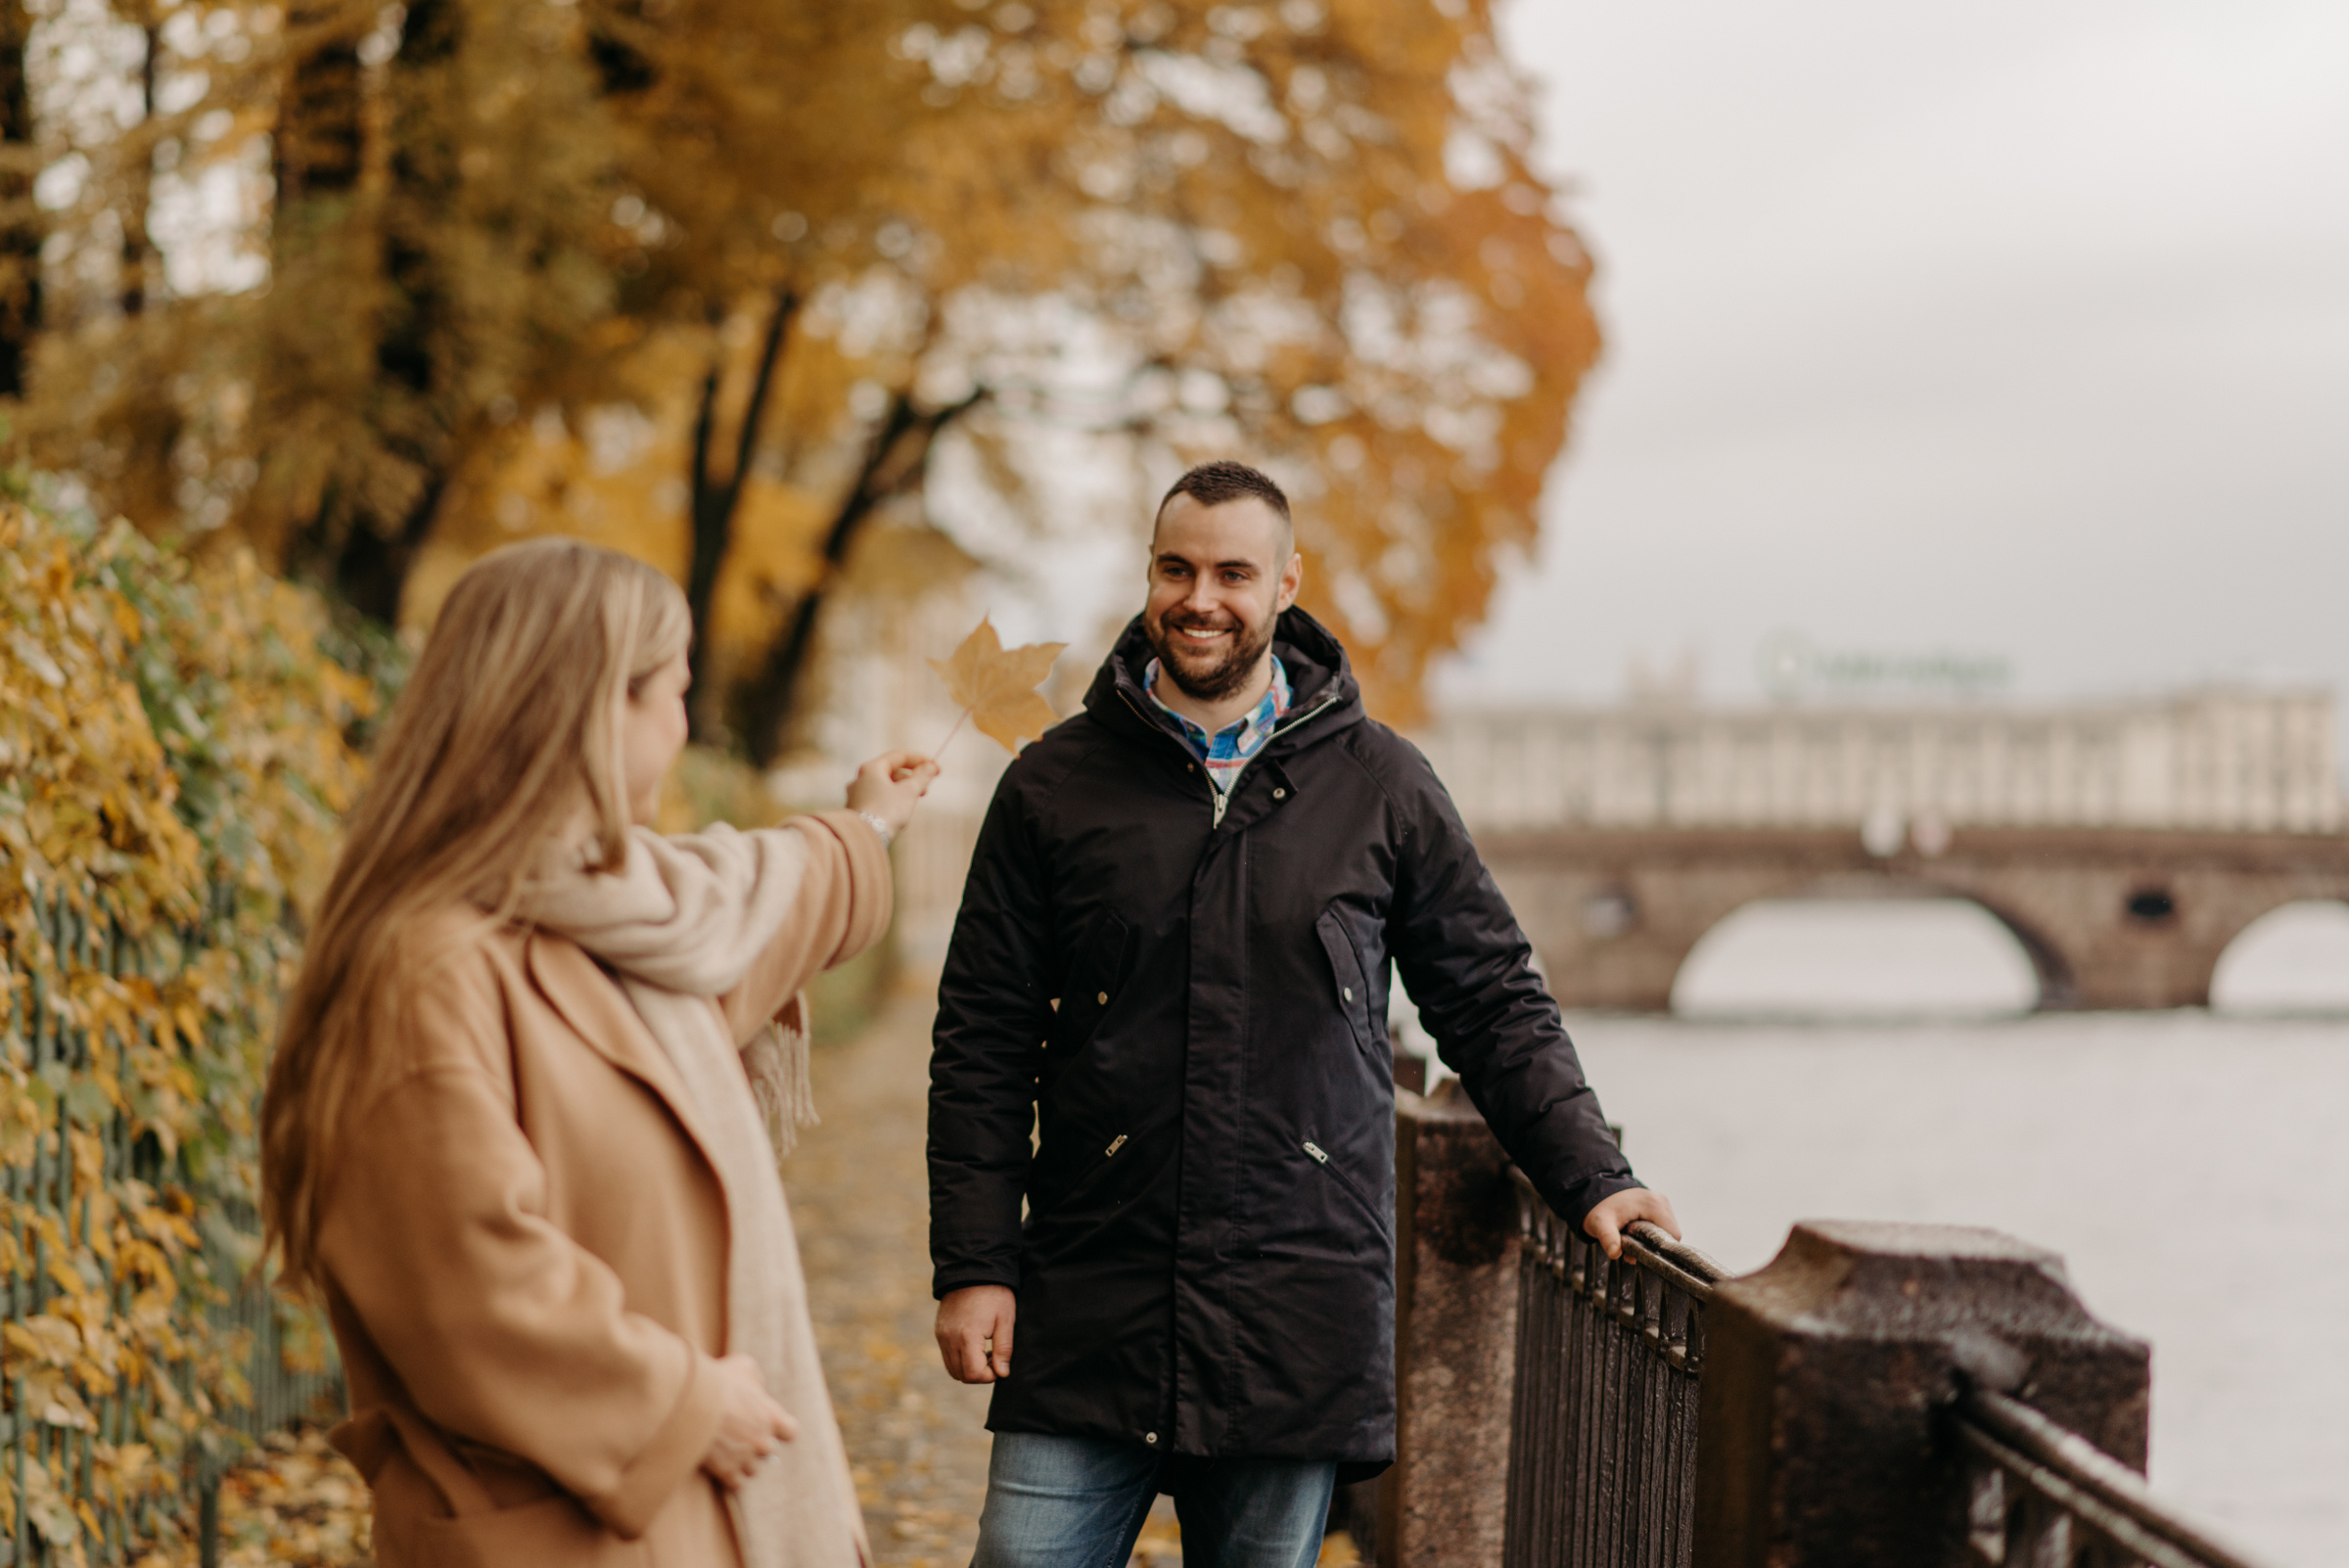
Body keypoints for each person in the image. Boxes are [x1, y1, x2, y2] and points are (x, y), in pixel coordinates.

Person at [928, 461, 1679, 1568]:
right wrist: (976, 1264)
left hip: (1295, 1309)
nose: (1201, 597)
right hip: (1090, 1296)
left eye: (1234, 572)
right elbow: (984, 1037)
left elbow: (1488, 996)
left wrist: (1593, 1175)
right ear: (1149, 576)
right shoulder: (1053, 785)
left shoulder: (1382, 785)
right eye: (1176, 568)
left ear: (1286, 585)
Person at [260, 538, 937, 1568]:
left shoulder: (625, 920)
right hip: (579, 1528)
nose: (682, 724)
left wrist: (867, 825)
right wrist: (680, 1404)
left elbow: (758, 909)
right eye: (672, 691)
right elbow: (465, 1283)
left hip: (714, 1524)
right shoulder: (422, 971)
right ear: (584, 709)